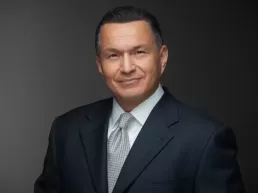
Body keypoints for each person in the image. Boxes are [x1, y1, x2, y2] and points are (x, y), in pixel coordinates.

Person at [34, 5, 245, 193]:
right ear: (100, 64)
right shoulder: (66, 130)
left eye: (139, 52)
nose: (127, 68)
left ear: (162, 58)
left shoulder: (206, 139)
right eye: (113, 55)